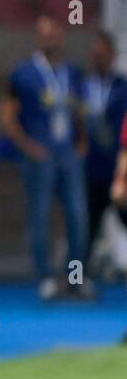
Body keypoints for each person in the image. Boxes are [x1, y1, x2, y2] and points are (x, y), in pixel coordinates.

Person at [0, 16, 89, 300]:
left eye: (55, 33)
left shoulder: (71, 73)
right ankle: (46, 278)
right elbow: (7, 115)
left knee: (77, 215)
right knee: (40, 216)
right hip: (39, 154)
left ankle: (76, 278)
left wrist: (82, 141)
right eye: (45, 34)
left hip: (67, 153)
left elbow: (78, 111)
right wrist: (27, 146)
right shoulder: (23, 74)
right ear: (37, 38)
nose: (51, 39)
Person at [81, 29, 127, 271]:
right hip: (91, 171)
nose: (99, 59)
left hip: (118, 170)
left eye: (103, 54)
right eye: (95, 55)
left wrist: (121, 176)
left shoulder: (123, 88)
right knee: (86, 228)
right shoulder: (82, 87)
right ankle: (77, 281)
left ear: (113, 56)